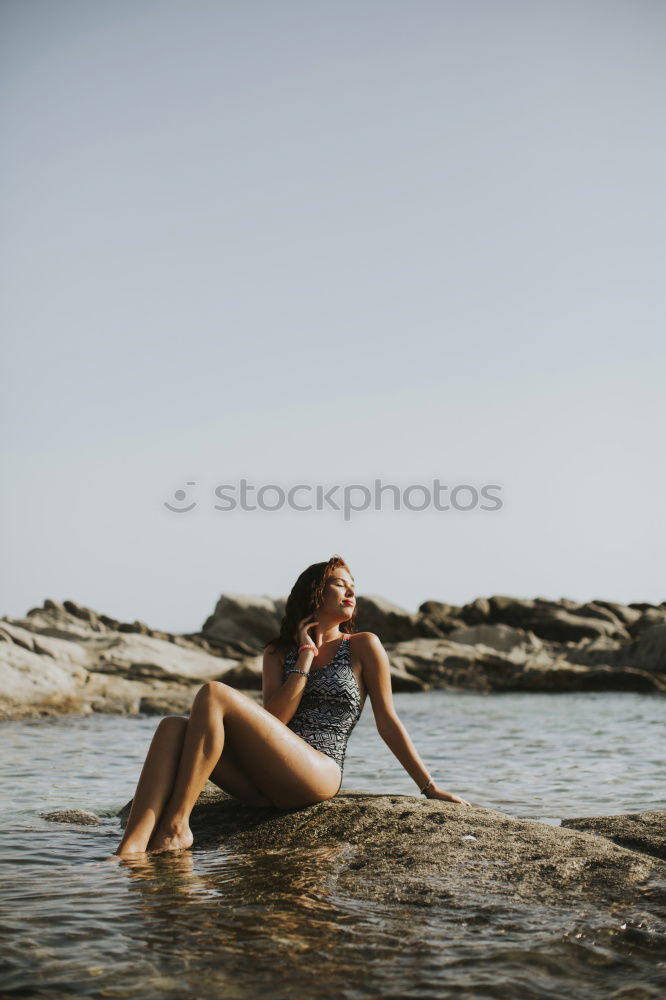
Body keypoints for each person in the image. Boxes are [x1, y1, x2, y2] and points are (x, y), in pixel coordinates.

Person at [114, 555, 470, 857]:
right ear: (314, 592)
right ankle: (130, 850)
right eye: (339, 583)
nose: (351, 592)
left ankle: (177, 825)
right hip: (263, 781)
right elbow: (276, 720)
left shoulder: (363, 645)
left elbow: (388, 722)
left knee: (213, 692)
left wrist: (429, 787)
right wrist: (304, 657)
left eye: (353, 586)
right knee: (172, 727)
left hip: (317, 773)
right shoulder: (277, 652)